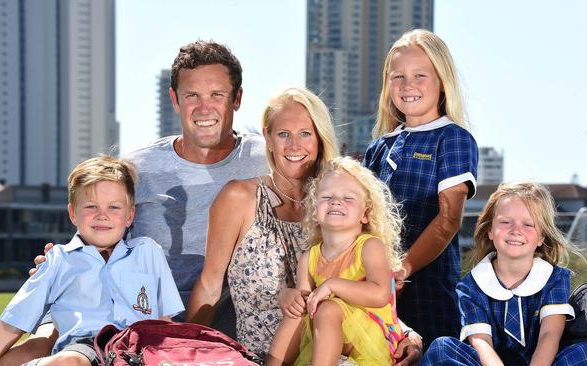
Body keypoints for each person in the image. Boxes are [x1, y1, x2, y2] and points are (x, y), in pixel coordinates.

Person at [0, 40, 269, 365]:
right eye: (191, 95)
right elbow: (100, 230)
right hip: (132, 310)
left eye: (217, 95)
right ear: (174, 99)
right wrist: (60, 261)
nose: (204, 107)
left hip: (223, 311)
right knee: (39, 344)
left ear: (237, 99)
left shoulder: (267, 159)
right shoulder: (138, 167)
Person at [0, 156, 184, 366]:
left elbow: (164, 320)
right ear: (72, 213)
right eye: (91, 206)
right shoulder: (58, 259)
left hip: (140, 348)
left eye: (114, 207)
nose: (102, 215)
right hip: (85, 348)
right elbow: (11, 323)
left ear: (130, 215)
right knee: (66, 361)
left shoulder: (148, 251)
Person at [185, 86, 339, 358]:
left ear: (319, 138)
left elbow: (367, 273)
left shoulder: (336, 204)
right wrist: (185, 352)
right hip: (259, 356)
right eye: (283, 134)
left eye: (305, 133)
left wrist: (405, 334)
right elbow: (209, 287)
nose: (294, 146)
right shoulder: (239, 198)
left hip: (330, 353)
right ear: (267, 137)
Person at [362, 29, 478, 347]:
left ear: (442, 82)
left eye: (420, 75)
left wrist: (405, 267)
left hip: (431, 290)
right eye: (397, 76)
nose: (407, 85)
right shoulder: (377, 148)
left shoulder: (453, 138)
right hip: (376, 293)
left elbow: (448, 219)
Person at [422, 181, 587, 365]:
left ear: (542, 237)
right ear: (490, 231)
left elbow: (549, 335)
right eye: (505, 222)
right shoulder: (470, 286)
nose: (516, 230)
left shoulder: (555, 278)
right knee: (442, 348)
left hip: (544, 362)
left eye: (528, 224)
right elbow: (482, 342)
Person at [267, 156, 405, 366]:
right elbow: (305, 305)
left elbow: (380, 295)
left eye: (348, 198)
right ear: (314, 211)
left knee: (329, 308)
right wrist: (288, 295)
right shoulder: (309, 258)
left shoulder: (370, 246)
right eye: (327, 196)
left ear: (365, 214)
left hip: (369, 337)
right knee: (298, 311)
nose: (335, 201)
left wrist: (332, 284)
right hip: (325, 338)